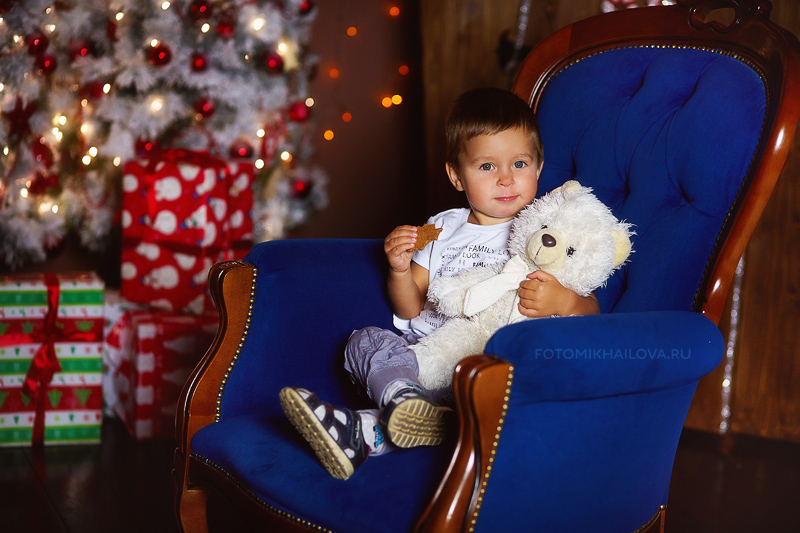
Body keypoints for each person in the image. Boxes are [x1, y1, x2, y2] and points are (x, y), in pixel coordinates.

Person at [279, 87, 600, 480]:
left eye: (519, 163)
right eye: (486, 167)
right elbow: (408, 309)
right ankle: (404, 402)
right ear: (456, 175)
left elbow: (592, 310)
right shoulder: (442, 228)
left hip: (486, 369)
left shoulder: (544, 232)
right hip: (418, 361)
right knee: (362, 341)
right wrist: (399, 270)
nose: (504, 179)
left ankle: (361, 430)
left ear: (538, 166)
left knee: (499, 381)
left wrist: (564, 300)